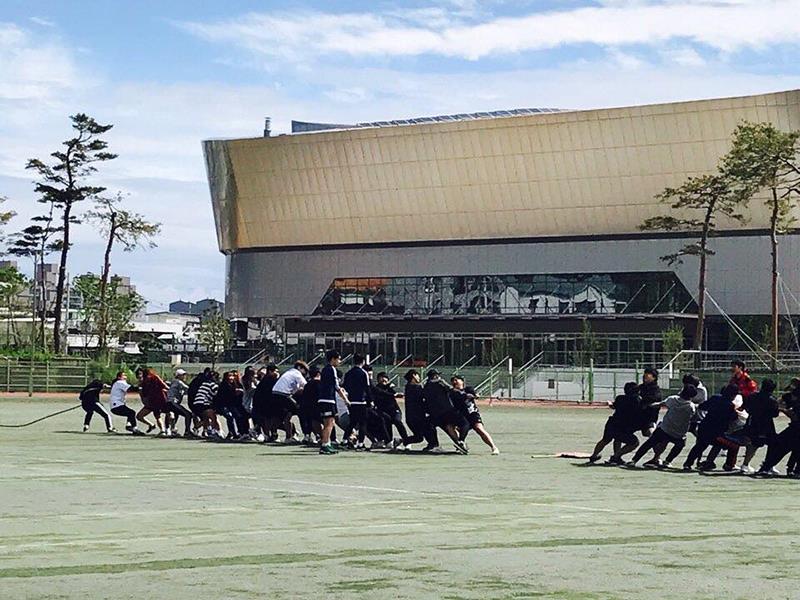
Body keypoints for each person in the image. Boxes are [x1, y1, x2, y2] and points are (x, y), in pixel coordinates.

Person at [628, 384, 697, 468]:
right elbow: (693, 416)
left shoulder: (673, 399)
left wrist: (648, 405)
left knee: (649, 443)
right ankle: (667, 461)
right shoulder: (691, 406)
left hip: (665, 429)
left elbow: (659, 404)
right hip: (679, 433)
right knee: (680, 445)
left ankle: (634, 460)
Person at [682, 384, 740, 471]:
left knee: (699, 446)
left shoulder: (715, 398)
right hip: (716, 435)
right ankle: (729, 465)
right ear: (733, 395)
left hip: (703, 429)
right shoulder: (730, 405)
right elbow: (734, 418)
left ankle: (688, 463)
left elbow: (702, 406)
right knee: (734, 445)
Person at [588, 382, 641, 464]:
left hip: (612, 423)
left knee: (605, 440)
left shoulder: (620, 398)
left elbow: (614, 406)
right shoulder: (637, 400)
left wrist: (610, 404)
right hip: (623, 426)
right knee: (634, 443)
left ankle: (594, 455)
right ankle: (616, 456)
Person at [735, 379, 779, 474]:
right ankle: (768, 465)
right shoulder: (772, 400)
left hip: (753, 422)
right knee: (772, 444)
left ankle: (745, 465)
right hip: (767, 424)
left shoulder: (752, 396)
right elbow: (775, 414)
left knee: (753, 444)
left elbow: (746, 407)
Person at [757, 380, 800, 476]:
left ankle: (766, 467)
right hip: (795, 428)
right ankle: (794, 470)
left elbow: (795, 417)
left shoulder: (796, 402)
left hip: (796, 429)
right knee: (795, 449)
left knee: (781, 447)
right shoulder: (793, 399)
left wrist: (784, 410)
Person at [422, 370, 469, 454]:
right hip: (447, 411)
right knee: (465, 423)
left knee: (447, 427)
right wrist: (464, 394)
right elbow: (452, 390)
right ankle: (461, 442)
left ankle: (434, 444)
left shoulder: (426, 386)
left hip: (434, 413)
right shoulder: (440, 382)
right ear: (435, 376)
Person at [450, 375, 499, 455]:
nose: (454, 382)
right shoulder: (453, 392)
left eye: (456, 380)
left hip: (473, 413)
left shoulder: (468, 389)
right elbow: (458, 396)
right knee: (453, 427)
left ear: (462, 381)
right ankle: (461, 445)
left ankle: (494, 447)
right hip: (462, 416)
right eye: (452, 381)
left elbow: (474, 393)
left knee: (479, 429)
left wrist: (475, 395)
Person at [402, 369, 440, 452]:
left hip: (412, 418)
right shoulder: (415, 387)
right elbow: (425, 395)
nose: (419, 377)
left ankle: (401, 441)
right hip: (416, 417)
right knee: (429, 428)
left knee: (419, 437)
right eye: (418, 375)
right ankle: (433, 445)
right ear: (414, 375)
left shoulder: (409, 387)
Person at [371, 371, 411, 450]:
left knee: (398, 421)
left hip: (394, 410)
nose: (383, 380)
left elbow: (394, 394)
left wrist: (390, 387)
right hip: (384, 412)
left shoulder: (390, 387)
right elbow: (380, 394)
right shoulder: (376, 389)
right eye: (381, 378)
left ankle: (407, 442)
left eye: (385, 378)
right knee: (386, 422)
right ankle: (390, 442)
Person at [319, 350, 348, 455]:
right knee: (330, 423)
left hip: (322, 399)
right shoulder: (332, 369)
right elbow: (337, 387)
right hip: (328, 400)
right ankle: (324, 445)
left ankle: (327, 443)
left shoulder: (324, 370)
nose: (339, 361)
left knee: (327, 423)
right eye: (338, 359)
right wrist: (346, 399)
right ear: (333, 359)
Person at [271, 361, 309, 443]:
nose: (305, 373)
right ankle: (290, 436)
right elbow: (306, 386)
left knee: (281, 415)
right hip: (284, 394)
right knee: (298, 411)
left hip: (275, 393)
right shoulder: (297, 373)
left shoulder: (288, 372)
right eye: (304, 370)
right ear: (299, 368)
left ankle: (274, 435)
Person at [343, 355, 371, 450]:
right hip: (361, 401)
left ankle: (344, 440)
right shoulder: (364, 373)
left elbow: (345, 386)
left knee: (352, 422)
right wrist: (370, 400)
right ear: (362, 361)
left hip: (351, 401)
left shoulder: (348, 373)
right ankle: (360, 443)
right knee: (363, 423)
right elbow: (367, 388)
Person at [216, 371, 249, 440]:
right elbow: (224, 396)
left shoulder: (236, 384)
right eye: (229, 376)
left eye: (232, 376)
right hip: (223, 405)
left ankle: (240, 432)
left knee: (239, 416)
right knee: (230, 417)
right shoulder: (223, 385)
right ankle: (233, 433)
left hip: (232, 405)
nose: (231, 378)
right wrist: (235, 392)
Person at [109, 371, 144, 435]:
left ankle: (129, 426)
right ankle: (134, 429)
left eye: (126, 375)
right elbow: (131, 389)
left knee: (130, 413)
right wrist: (142, 386)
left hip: (116, 405)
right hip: (117, 405)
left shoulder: (118, 383)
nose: (126, 377)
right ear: (119, 377)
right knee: (131, 413)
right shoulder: (120, 382)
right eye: (124, 375)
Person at [252, 364, 280, 442]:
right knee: (268, 419)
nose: (277, 373)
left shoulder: (267, 379)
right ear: (270, 371)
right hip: (265, 403)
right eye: (275, 371)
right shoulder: (269, 380)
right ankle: (268, 435)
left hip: (265, 403)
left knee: (269, 419)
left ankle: (270, 434)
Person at [165, 368, 196, 437]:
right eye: (183, 375)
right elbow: (189, 389)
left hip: (171, 402)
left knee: (175, 415)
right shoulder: (178, 382)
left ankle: (171, 430)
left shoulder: (175, 382)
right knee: (188, 414)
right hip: (173, 402)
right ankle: (187, 432)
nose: (185, 376)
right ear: (178, 376)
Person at [137, 368, 168, 435]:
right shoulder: (154, 378)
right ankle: (163, 429)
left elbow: (144, 395)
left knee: (158, 416)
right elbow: (164, 386)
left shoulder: (146, 381)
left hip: (154, 401)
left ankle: (164, 430)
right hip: (157, 400)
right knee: (166, 414)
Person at [191, 370, 221, 438]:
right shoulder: (213, 385)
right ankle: (214, 432)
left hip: (196, 403)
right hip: (203, 403)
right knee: (212, 416)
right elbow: (216, 395)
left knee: (205, 418)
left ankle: (197, 429)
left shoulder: (204, 383)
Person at [298, 366, 322, 444]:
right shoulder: (319, 383)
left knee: (308, 421)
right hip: (316, 406)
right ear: (318, 374)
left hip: (305, 406)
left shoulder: (307, 384)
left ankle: (307, 436)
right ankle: (323, 437)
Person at [638, 368, 662, 436]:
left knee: (651, 434)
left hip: (649, 418)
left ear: (654, 377)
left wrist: (643, 401)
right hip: (636, 416)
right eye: (644, 374)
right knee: (619, 429)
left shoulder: (656, 390)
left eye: (648, 374)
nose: (645, 375)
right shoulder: (640, 387)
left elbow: (655, 399)